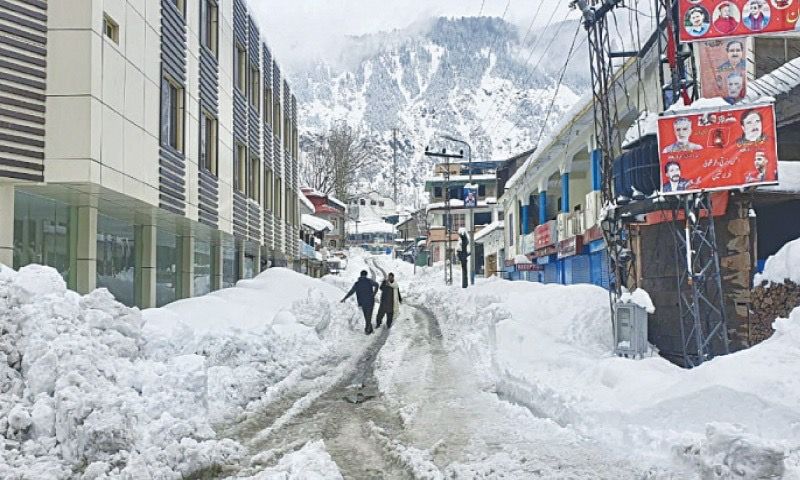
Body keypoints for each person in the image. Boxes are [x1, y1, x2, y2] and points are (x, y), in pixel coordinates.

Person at [341, 270, 379, 334]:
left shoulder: (357, 283)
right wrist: (374, 293)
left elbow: (351, 292)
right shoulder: (369, 281)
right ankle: (368, 330)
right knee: (368, 315)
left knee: (366, 316)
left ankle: (369, 329)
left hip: (362, 302)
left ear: (360, 275)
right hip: (370, 301)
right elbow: (377, 285)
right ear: (366, 275)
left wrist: (345, 298)